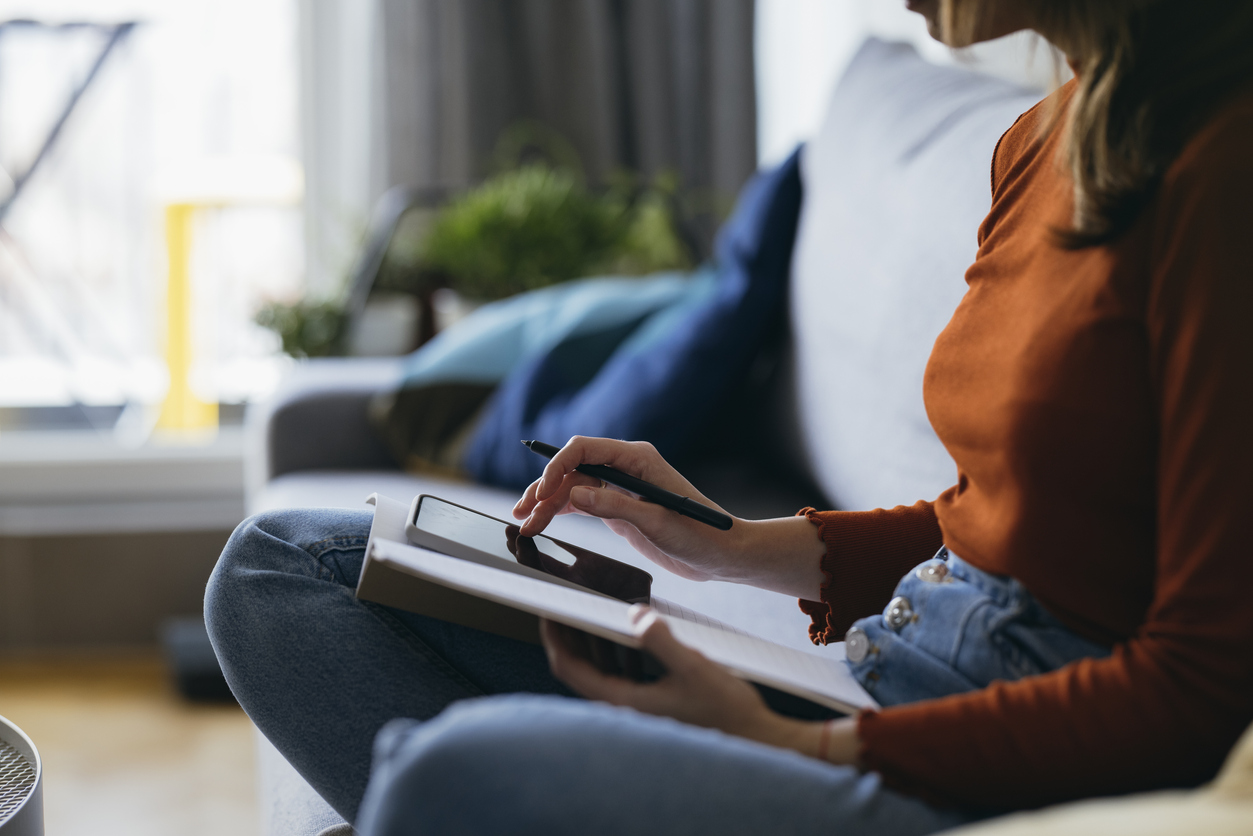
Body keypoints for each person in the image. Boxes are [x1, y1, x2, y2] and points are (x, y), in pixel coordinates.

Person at [205, 1, 1253, 833]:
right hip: (878, 677)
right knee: (276, 570)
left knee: (441, 777)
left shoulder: (1221, 168)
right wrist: (725, 543)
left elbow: (1197, 687)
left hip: (975, 760)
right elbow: (1005, 523)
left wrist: (789, 748)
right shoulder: (1042, 140)